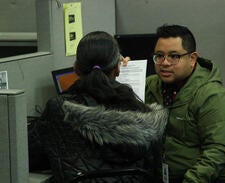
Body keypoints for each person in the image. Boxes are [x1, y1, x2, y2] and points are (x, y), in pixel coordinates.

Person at [39, 31, 168, 183]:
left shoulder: (59, 110)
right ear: (117, 69)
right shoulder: (147, 119)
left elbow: (31, 156)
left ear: (76, 68)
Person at [145, 24, 225, 183]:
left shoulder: (212, 95)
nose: (165, 63)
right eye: (159, 56)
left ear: (192, 59)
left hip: (211, 178)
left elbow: (217, 152)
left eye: (174, 56)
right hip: (164, 175)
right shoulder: (151, 85)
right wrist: (118, 69)